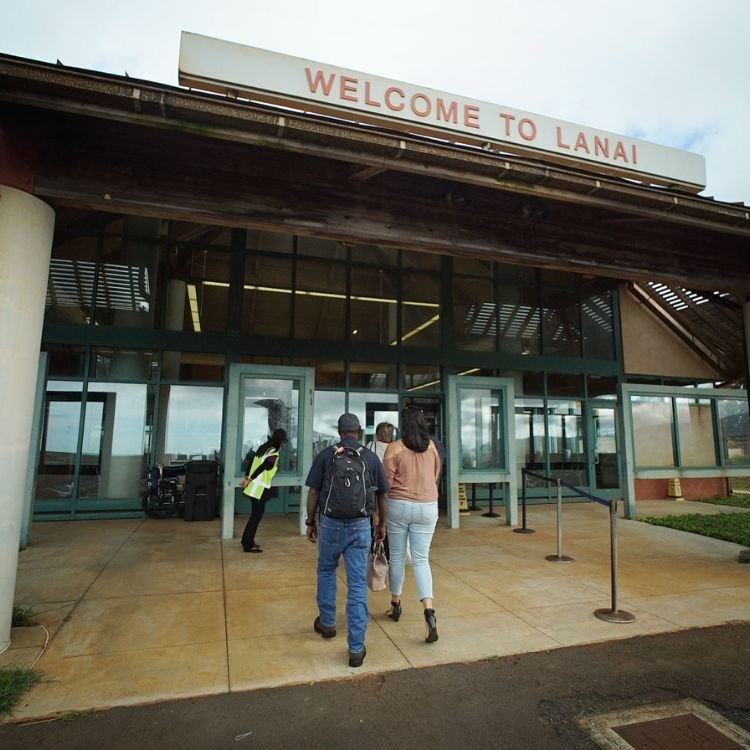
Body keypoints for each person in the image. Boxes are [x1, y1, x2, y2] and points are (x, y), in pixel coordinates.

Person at [305, 413, 388, 668]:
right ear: (359, 431)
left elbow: (314, 491)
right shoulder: (370, 457)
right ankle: (355, 648)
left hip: (330, 523)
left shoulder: (326, 455)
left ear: (340, 431)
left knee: (327, 569)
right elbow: (382, 495)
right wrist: (381, 524)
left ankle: (327, 623)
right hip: (361, 525)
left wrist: (311, 522)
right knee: (357, 585)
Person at [383, 406, 442, 643]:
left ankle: (395, 605)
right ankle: (429, 611)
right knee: (421, 559)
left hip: (399, 505)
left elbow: (385, 485)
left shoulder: (394, 448)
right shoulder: (432, 448)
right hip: (428, 506)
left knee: (397, 557)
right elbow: (435, 476)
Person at [239, 428, 287, 553]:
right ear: (280, 441)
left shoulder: (262, 449)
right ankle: (248, 544)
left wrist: (247, 477)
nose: (283, 445)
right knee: (255, 517)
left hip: (253, 487)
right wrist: (250, 479)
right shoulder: (273, 453)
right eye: (283, 442)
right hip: (259, 489)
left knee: (254, 516)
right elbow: (263, 466)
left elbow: (250, 464)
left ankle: (247, 541)